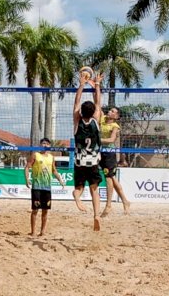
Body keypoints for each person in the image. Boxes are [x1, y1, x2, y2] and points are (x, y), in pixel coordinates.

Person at [72, 68, 103, 231]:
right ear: (93, 113)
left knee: (78, 188)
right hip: (93, 161)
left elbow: (77, 102)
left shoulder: (77, 122)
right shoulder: (96, 121)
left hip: (79, 161)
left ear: (81, 112)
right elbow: (98, 103)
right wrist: (96, 84)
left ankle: (77, 198)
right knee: (94, 190)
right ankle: (96, 215)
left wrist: (81, 85)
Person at [25, 138, 65, 236]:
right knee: (35, 210)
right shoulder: (35, 155)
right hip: (37, 186)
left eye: (47, 144)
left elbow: (54, 170)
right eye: (43, 143)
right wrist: (27, 179)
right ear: (40, 145)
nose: (45, 145)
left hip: (47, 187)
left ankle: (42, 232)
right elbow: (27, 167)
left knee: (45, 210)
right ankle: (33, 231)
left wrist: (60, 180)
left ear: (49, 145)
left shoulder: (51, 157)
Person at [99, 107, 131, 217]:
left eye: (113, 111)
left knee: (108, 178)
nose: (110, 112)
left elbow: (111, 140)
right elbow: (97, 104)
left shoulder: (115, 126)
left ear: (116, 117)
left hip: (109, 153)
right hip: (101, 153)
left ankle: (108, 205)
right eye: (110, 110)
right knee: (112, 177)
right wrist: (96, 89)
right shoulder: (102, 119)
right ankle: (125, 201)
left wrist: (97, 140)